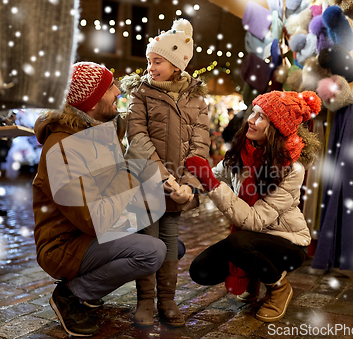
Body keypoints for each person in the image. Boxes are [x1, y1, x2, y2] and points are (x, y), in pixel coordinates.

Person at [32, 61, 167, 337]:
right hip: (64, 243)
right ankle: (71, 294)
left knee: (170, 246)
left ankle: (89, 288)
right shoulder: (63, 148)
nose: (118, 90)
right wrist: (137, 177)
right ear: (92, 102)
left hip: (86, 233)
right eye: (110, 88)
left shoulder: (95, 129)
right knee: (153, 251)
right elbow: (94, 219)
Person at [185, 91, 322, 322]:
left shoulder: (291, 168)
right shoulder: (243, 151)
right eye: (253, 112)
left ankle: (279, 288)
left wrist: (210, 183)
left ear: (277, 127)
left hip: (288, 243)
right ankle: (254, 274)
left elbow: (255, 220)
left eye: (260, 116)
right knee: (201, 270)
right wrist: (188, 184)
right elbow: (215, 175)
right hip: (253, 238)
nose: (250, 119)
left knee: (238, 243)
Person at [121, 18, 210, 327]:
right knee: (149, 241)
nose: (151, 66)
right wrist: (163, 176)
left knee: (170, 240)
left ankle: (167, 299)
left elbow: (200, 144)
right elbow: (138, 136)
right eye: (149, 61)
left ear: (175, 64)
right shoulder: (142, 94)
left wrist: (188, 183)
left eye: (157, 61)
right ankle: (145, 299)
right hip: (148, 180)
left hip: (177, 186)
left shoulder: (196, 98)